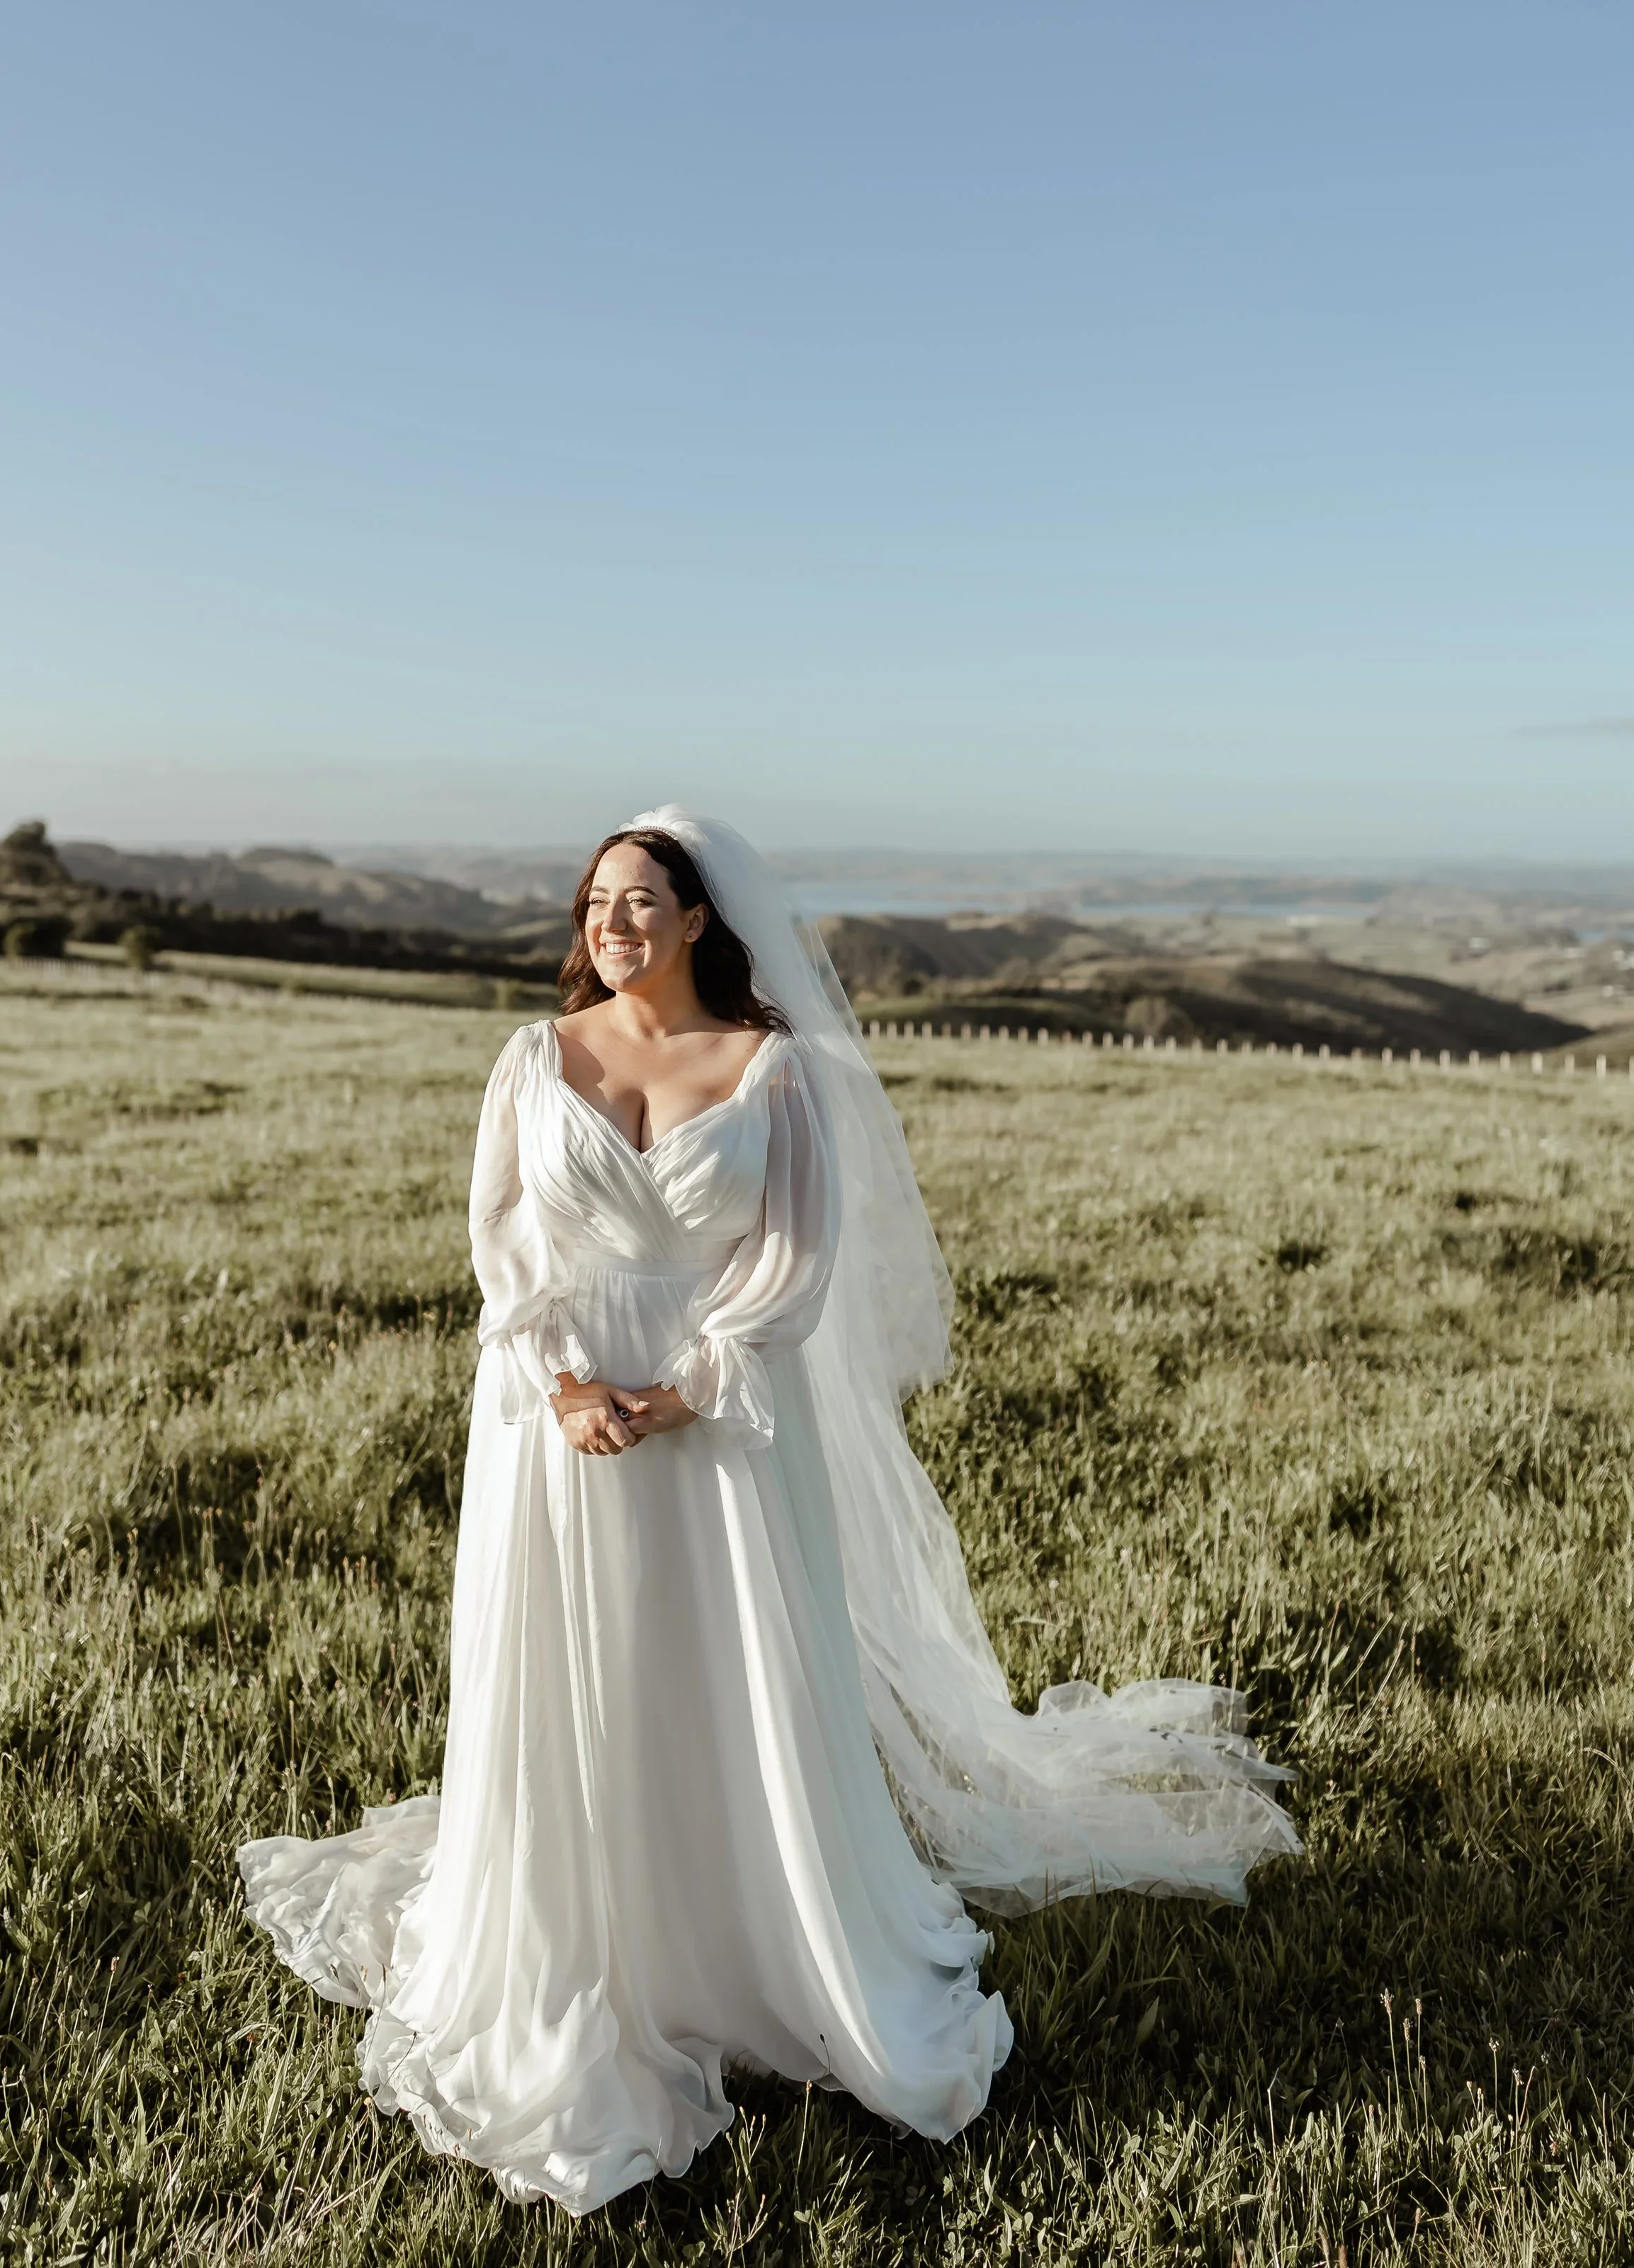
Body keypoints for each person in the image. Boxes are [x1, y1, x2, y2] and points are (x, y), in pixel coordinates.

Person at [239, 808, 1299, 2213]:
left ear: (695, 922)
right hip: (552, 1429)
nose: (610, 925)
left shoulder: (770, 1070)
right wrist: (568, 1391)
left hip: (722, 1423)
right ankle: (580, 1948)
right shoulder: (529, 1061)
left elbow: (791, 1265)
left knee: (725, 1675)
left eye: (639, 903)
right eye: (593, 902)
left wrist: (668, 1396)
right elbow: (504, 1249)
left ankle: (760, 1945)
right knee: (574, 1681)